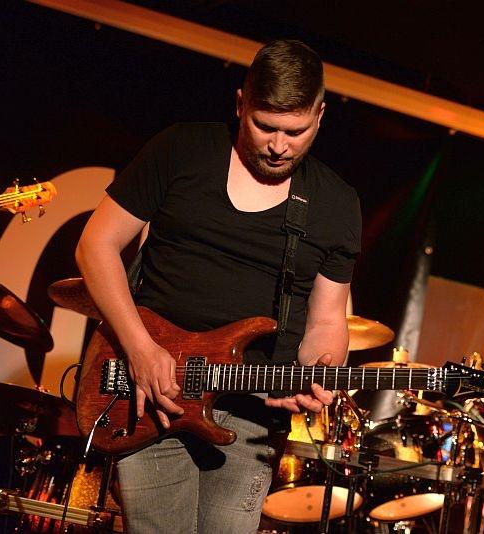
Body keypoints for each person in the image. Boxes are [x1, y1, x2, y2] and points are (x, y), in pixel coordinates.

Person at [75, 39, 361, 533]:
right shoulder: (180, 150)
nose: (278, 145)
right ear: (240, 104)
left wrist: (318, 374)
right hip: (154, 394)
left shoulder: (336, 204)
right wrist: (140, 349)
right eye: (265, 126)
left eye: (295, 131)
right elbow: (95, 246)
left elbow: (328, 318)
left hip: (252, 409)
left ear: (320, 115)